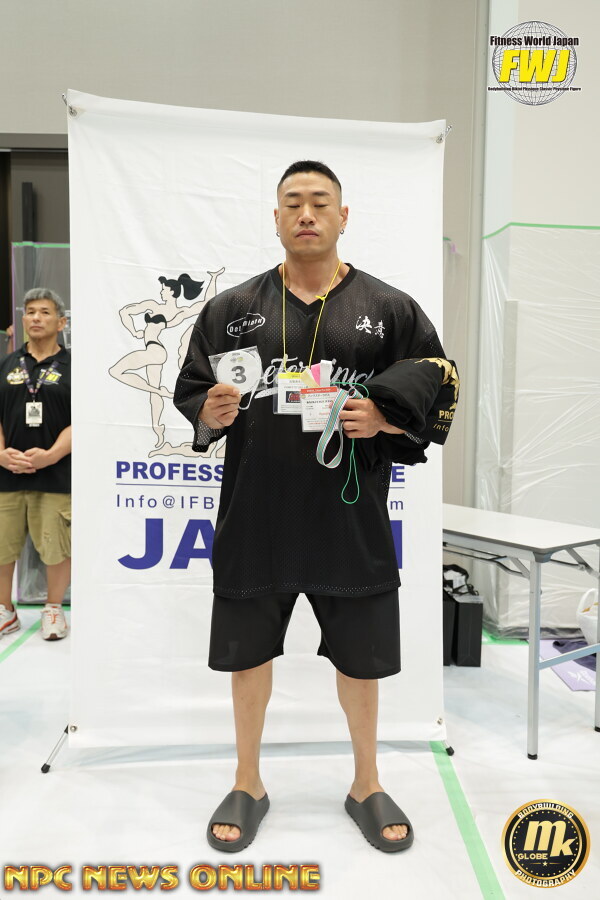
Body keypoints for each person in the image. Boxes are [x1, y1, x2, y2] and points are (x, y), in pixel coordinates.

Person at [174, 160, 456, 853]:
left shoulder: (389, 308)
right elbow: (191, 389)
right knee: (247, 656)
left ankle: (366, 783)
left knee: (361, 661)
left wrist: (385, 420)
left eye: (320, 202)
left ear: (343, 216)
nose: (306, 214)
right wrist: (208, 412)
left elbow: (437, 381)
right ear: (276, 218)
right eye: (293, 203)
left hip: (349, 517)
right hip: (255, 513)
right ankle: (247, 782)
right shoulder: (231, 309)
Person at [0, 288, 71, 641]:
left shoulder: (74, 368)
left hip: (56, 474)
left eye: (44, 312)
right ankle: (5, 610)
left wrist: (52, 454)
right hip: (7, 475)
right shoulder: (7, 364)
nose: (36, 318)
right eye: (30, 312)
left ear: (61, 322)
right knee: (2, 546)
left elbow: (82, 420)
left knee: (56, 546)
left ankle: (53, 609)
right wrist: (1, 454)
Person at [109, 270, 223, 449]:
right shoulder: (161, 308)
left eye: (164, 289)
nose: (161, 292)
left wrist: (213, 279)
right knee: (154, 396)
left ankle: (161, 393)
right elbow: (125, 312)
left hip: (155, 350)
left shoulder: (171, 310)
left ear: (172, 292)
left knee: (116, 371)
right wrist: (134, 331)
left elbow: (207, 303)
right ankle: (159, 433)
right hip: (155, 351)